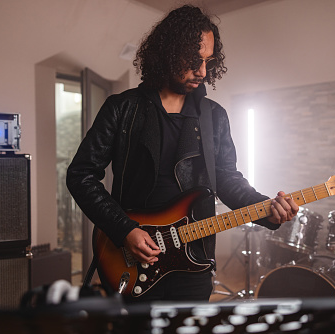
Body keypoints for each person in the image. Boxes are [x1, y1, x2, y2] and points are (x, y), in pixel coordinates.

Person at [66, 5, 299, 303]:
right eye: (192, 61)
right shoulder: (122, 108)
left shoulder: (214, 116)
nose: (202, 71)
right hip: (135, 260)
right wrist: (124, 229)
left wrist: (267, 208)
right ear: (167, 53)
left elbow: (227, 179)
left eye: (207, 61)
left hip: (194, 259)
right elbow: (80, 175)